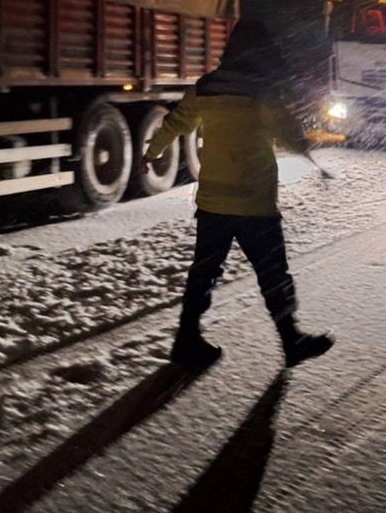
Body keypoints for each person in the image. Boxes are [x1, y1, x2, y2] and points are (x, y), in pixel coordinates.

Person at [141, 19, 335, 369]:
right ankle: (291, 340)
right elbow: (289, 132)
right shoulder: (261, 90)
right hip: (253, 203)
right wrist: (310, 154)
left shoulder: (208, 87)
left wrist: (151, 152)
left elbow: (176, 123)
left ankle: (186, 339)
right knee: (273, 274)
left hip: (213, 202)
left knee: (203, 273)